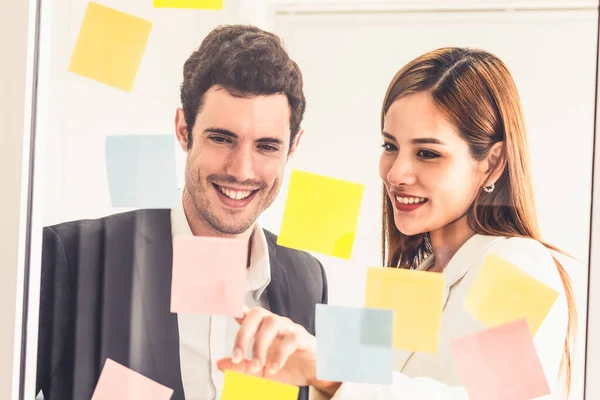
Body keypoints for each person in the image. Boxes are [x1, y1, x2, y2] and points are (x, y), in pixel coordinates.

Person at [216, 47, 577, 399]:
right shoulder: (409, 274)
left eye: (428, 153)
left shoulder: (516, 266)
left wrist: (327, 369)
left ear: (492, 163)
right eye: (390, 146)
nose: (397, 173)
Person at [35, 25, 328, 400]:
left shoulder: (309, 279)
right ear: (183, 130)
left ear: (293, 147)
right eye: (222, 138)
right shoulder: (73, 256)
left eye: (267, 146)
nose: (242, 170)